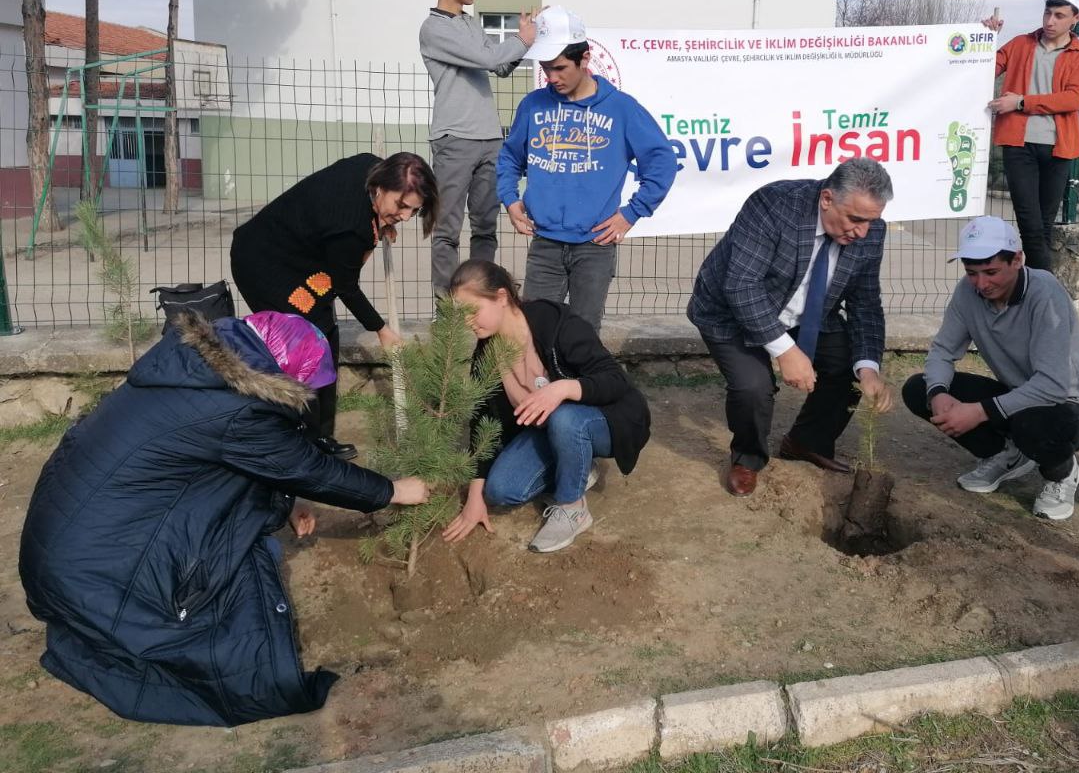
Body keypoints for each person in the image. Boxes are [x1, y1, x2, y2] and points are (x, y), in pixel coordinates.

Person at [18, 311, 430, 727]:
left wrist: (287, 502)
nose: (307, 395)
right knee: (245, 572)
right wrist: (392, 491)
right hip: (96, 575)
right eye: (305, 384)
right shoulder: (237, 410)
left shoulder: (196, 371)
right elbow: (307, 468)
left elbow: (230, 463)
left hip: (61, 550)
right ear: (286, 372)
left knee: (243, 529)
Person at [687, 157, 895, 498]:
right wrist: (786, 351)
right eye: (855, 219)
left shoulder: (870, 232)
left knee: (847, 364)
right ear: (827, 199)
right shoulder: (774, 205)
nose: (862, 232)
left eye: (872, 221)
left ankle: (805, 442)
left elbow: (865, 303)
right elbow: (741, 286)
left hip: (806, 312)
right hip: (731, 311)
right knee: (753, 387)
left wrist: (869, 368)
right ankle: (747, 458)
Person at [230, 151, 437, 459]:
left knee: (326, 338)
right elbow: (346, 286)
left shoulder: (370, 166)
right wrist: (381, 330)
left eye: (413, 210)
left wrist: (381, 221)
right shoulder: (350, 227)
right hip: (264, 262)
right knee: (304, 347)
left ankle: (319, 436)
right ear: (380, 188)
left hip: (304, 256)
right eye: (402, 206)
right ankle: (295, 443)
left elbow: (355, 231)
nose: (406, 217)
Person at [901, 215, 1079, 520]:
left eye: (991, 271)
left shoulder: (1045, 293)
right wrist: (939, 393)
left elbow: (1052, 386)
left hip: (1073, 405)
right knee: (919, 389)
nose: (981, 284)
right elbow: (943, 350)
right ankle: (1007, 454)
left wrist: (978, 411)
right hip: (1020, 396)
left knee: (1033, 425)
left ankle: (1062, 474)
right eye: (972, 273)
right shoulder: (967, 292)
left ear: (1017, 260)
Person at [442, 259, 650, 553]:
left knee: (565, 417)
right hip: (548, 429)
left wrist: (563, 388)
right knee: (501, 489)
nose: (467, 322)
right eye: (461, 314)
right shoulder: (485, 357)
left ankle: (572, 508)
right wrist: (476, 495)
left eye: (473, 310)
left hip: (607, 419)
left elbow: (615, 380)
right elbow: (482, 423)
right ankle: (577, 464)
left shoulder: (555, 324)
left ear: (501, 297)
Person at [497, 6, 677, 331]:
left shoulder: (621, 108)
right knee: (535, 332)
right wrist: (510, 200)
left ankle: (576, 384)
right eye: (546, 69)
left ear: (585, 58)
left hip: (595, 247)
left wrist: (631, 213)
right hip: (545, 244)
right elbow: (510, 157)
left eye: (560, 68)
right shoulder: (533, 105)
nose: (552, 77)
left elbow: (662, 161)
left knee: (582, 338)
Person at [419, 0, 536, 293]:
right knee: (447, 232)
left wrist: (524, 42)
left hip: (489, 138)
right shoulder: (434, 29)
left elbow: (499, 65)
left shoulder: (470, 23)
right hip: (454, 139)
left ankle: (479, 298)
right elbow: (485, 57)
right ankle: (448, 314)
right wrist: (520, 40)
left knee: (486, 227)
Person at [984, 0, 1079, 270]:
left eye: (1059, 15)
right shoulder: (1021, 44)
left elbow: (1073, 99)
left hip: (1059, 147)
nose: (1050, 21)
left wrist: (1021, 102)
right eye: (1047, 13)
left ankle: (1034, 291)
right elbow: (983, 69)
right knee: (1030, 223)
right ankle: (1045, 293)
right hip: (1018, 144)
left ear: (1076, 19)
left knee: (1043, 225)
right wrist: (985, 39)